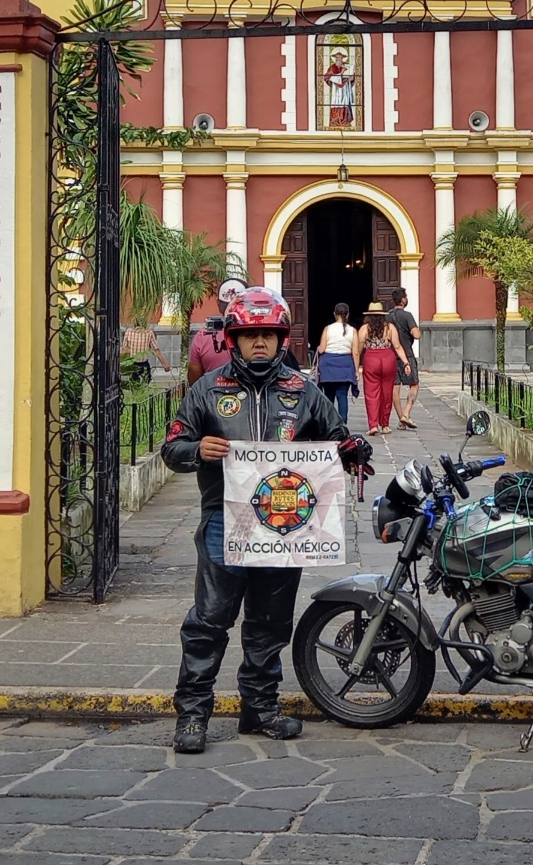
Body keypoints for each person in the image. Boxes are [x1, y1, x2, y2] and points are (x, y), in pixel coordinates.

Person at [161, 286, 373, 753]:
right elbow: (171, 449)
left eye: (268, 335)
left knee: (271, 620)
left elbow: (337, 439)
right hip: (225, 521)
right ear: (233, 338)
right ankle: (193, 714)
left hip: (286, 525)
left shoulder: (305, 392)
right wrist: (197, 450)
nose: (260, 343)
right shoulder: (207, 391)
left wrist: (354, 448)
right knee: (210, 619)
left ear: (282, 339)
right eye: (250, 334)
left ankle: (259, 708)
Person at [360, 300, 409, 435]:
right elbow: (397, 346)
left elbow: (358, 349)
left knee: (371, 393)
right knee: (387, 393)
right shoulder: (390, 327)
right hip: (388, 358)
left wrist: (355, 366)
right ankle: (385, 424)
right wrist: (406, 362)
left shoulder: (365, 328)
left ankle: (373, 425)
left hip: (371, 359)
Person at [315, 302, 360, 425]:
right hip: (345, 366)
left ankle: (329, 422)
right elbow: (355, 353)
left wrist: (318, 347)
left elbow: (322, 349)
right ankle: (342, 423)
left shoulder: (328, 328)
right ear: (348, 314)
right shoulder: (353, 331)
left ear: (335, 314)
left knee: (328, 396)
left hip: (328, 366)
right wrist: (356, 371)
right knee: (342, 396)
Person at [388, 286, 421, 429]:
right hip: (407, 354)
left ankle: (401, 418)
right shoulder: (407, 315)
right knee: (414, 384)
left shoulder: (387, 316)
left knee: (395, 388)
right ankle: (406, 414)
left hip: (391, 355)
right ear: (403, 300)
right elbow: (416, 335)